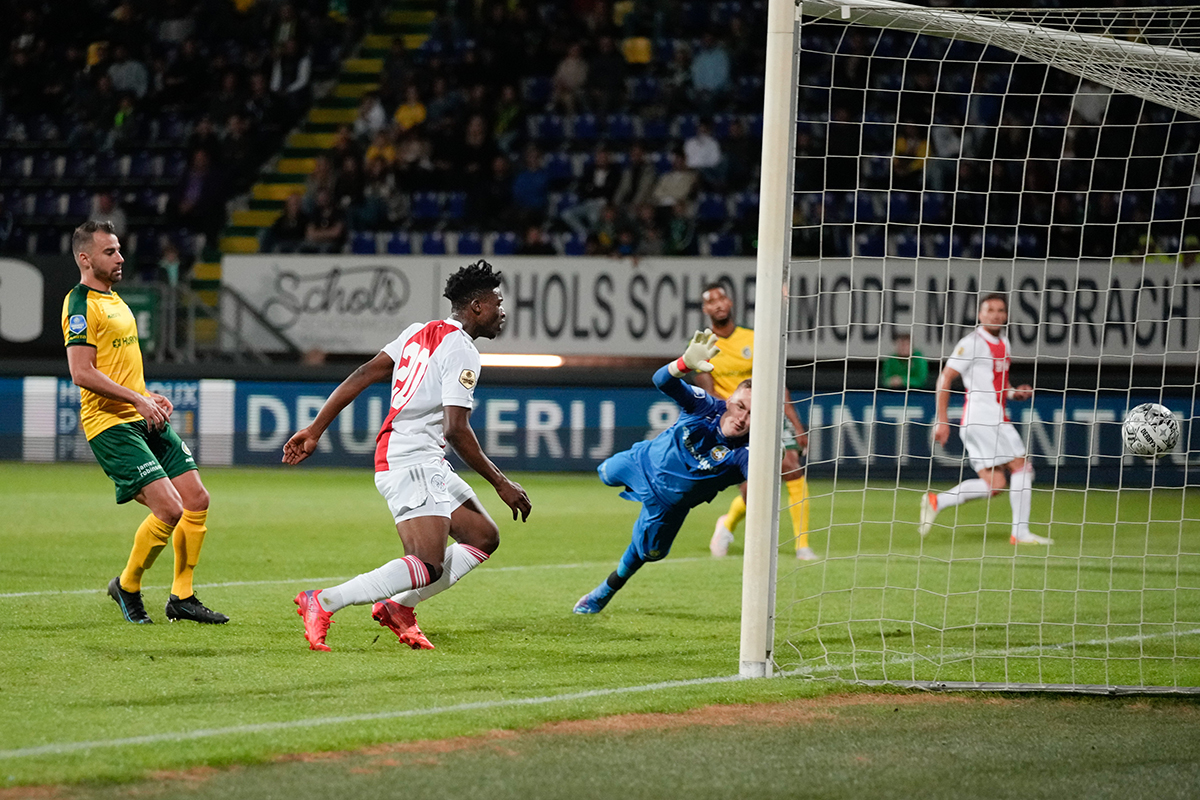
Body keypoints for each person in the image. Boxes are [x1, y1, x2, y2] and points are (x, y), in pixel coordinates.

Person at [283, 260, 532, 651]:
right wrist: (501, 483)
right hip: (410, 458)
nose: (503, 312)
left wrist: (316, 430)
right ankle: (325, 600)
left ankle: (398, 608)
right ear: (478, 307)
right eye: (498, 303)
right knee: (426, 562)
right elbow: (456, 429)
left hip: (421, 457)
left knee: (483, 537)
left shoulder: (419, 332)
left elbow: (364, 373)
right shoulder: (463, 351)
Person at [63, 220, 227, 625]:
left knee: (197, 501)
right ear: (85, 259)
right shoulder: (79, 303)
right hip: (110, 425)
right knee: (171, 509)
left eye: (119, 250)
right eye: (110, 252)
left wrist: (145, 392)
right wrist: (136, 398)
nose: (120, 258)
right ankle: (128, 585)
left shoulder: (116, 300)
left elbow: (118, 367)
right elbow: (82, 372)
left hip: (141, 414)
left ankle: (182, 598)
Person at [573, 330, 750, 614]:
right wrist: (683, 363)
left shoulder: (745, 451)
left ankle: (605, 590)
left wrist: (770, 462)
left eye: (752, 414)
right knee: (605, 473)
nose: (742, 418)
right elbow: (662, 381)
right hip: (641, 463)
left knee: (648, 553)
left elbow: (755, 480)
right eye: (740, 406)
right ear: (729, 400)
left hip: (667, 505)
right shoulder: (705, 406)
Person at [919, 293, 1051, 545]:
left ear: (1006, 315)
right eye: (990, 310)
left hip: (986, 418)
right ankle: (1020, 533)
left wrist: (1014, 393)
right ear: (980, 315)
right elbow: (945, 378)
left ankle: (938, 501)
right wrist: (942, 419)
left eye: (1001, 310)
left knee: (996, 483)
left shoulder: (1004, 342)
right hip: (985, 417)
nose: (996, 314)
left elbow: (998, 385)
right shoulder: (971, 343)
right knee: (1022, 466)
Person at [699, 284, 816, 560]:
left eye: (721, 297)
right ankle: (727, 524)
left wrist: (796, 425)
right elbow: (707, 392)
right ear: (705, 310)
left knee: (792, 467)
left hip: (768, 414)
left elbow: (777, 383)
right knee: (752, 489)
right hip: (735, 423)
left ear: (730, 302)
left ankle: (803, 545)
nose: (718, 304)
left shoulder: (753, 338)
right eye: (711, 301)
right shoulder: (705, 346)